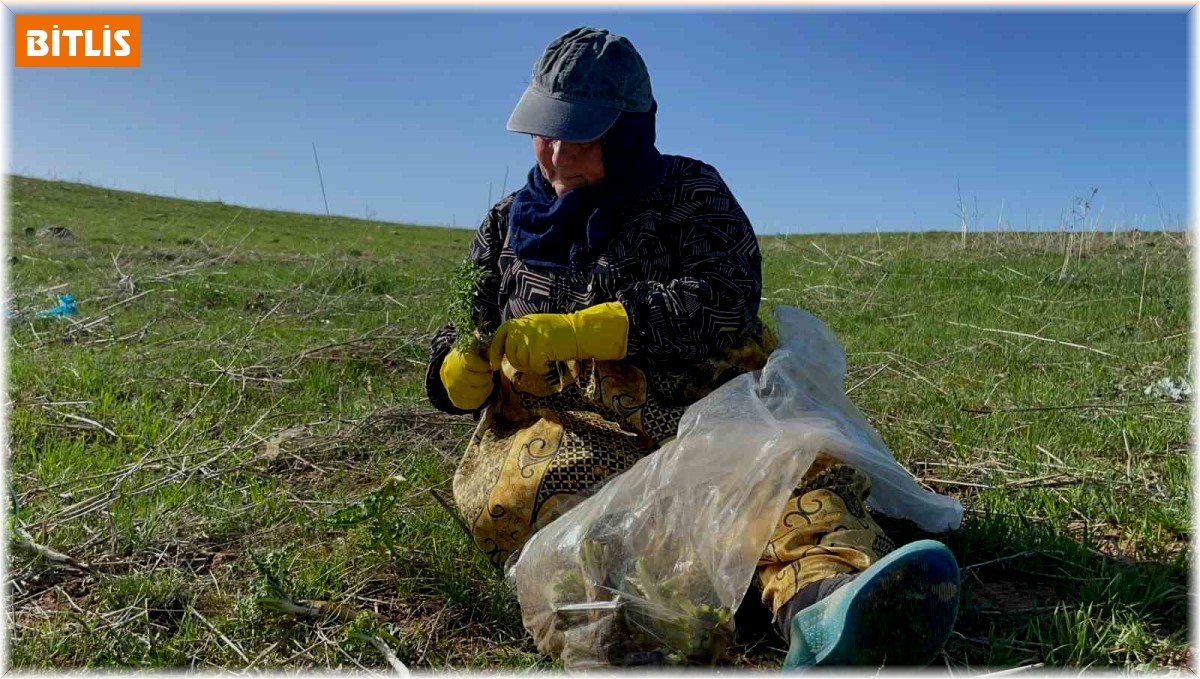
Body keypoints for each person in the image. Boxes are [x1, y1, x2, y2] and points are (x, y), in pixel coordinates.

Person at [424, 26, 960, 668]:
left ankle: (829, 608)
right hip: (569, 432)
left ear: (629, 134)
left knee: (781, 480)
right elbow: (466, 325)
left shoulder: (690, 192)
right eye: (547, 130)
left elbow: (727, 295)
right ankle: (644, 628)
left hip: (702, 411)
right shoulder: (503, 223)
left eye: (585, 135)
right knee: (576, 528)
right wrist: (452, 373)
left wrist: (590, 330)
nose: (560, 154)